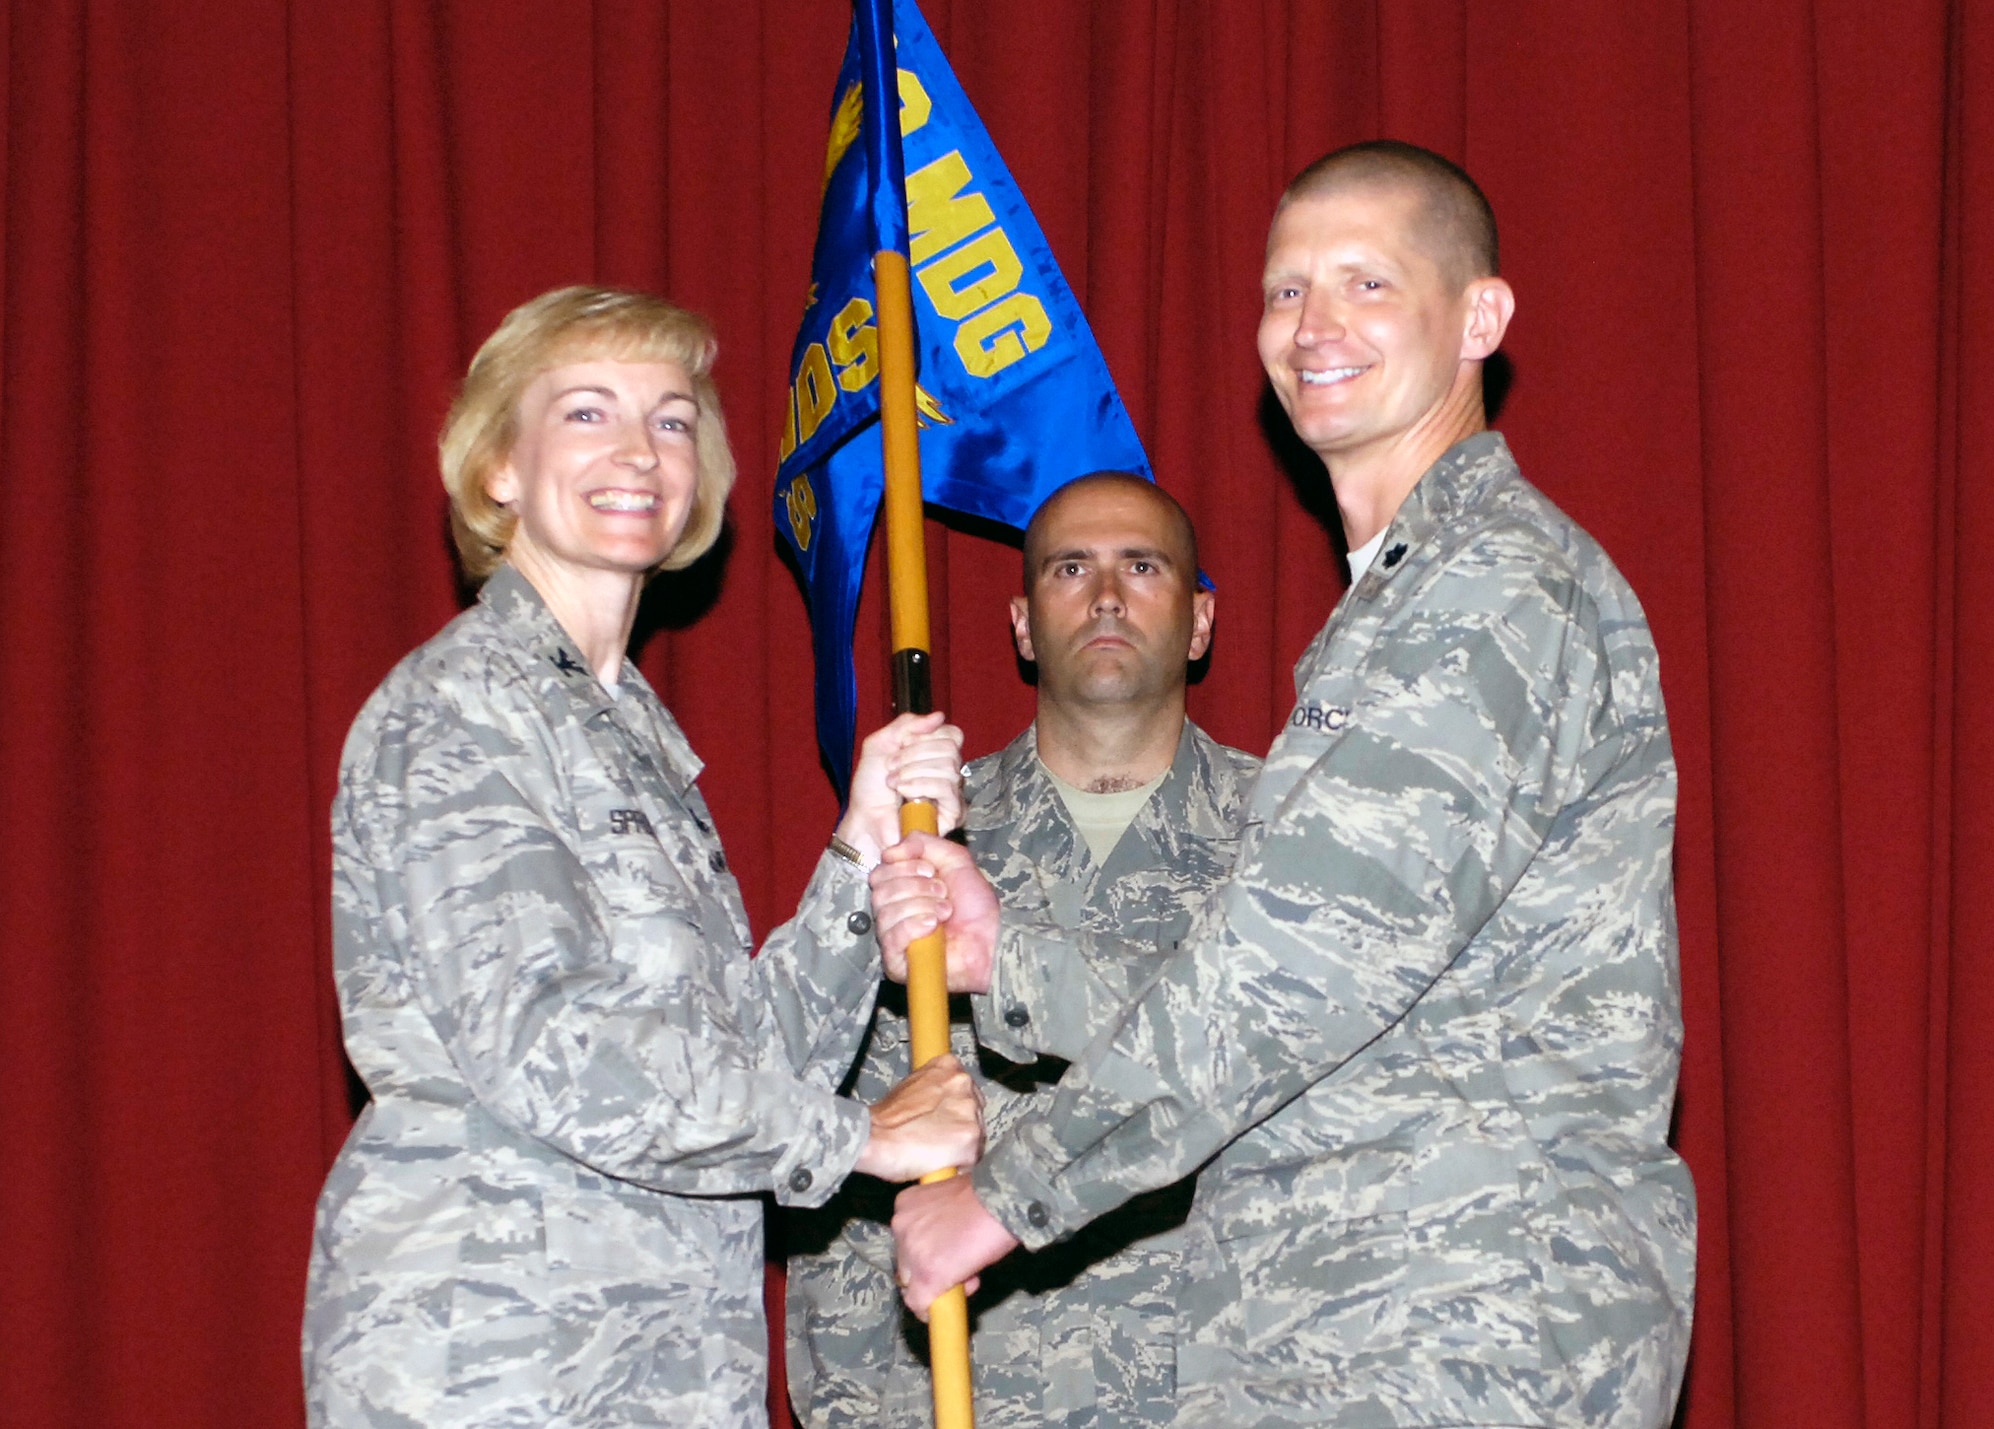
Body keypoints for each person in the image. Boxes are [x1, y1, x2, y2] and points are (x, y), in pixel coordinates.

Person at [874, 141, 1697, 1428]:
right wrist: (1007, 960)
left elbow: (1295, 978)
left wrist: (1006, 1195)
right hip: (1355, 1319)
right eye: (1284, 290)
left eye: (1367, 283)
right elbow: (1337, 995)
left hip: (1457, 1320)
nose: (1313, 327)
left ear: (1478, 318)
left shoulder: (1487, 588)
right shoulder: (1397, 608)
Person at [302, 285, 983, 1428]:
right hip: (496, 1355)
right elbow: (551, 1048)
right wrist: (860, 1138)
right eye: (587, 412)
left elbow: (739, 1060)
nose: (639, 451)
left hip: (666, 1365)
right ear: (498, 469)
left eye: (672, 419)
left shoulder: (630, 734)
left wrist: (858, 860)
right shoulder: (463, 707)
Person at [785, 473, 1260, 1429]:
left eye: (1143, 566)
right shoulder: (923, 846)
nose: (1107, 596)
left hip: (1230, 1393)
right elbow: (846, 1164)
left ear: (1201, 621)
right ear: (1022, 624)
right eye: (1070, 568)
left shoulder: (1291, 847)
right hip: (978, 1395)